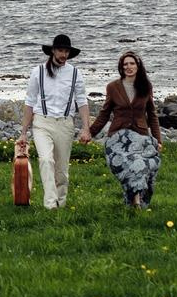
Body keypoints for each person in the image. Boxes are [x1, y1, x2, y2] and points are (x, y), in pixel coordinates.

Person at [89, 49, 164, 210]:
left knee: (141, 165)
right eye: (125, 65)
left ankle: (135, 201)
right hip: (119, 138)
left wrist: (158, 139)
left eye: (132, 63)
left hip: (141, 136)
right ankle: (135, 202)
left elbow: (152, 114)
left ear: (138, 66)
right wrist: (90, 133)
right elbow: (104, 113)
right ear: (121, 68)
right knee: (128, 166)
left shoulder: (146, 86)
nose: (128, 67)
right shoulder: (113, 87)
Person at [22, 33, 86, 210]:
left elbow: (82, 101)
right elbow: (29, 102)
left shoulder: (75, 73)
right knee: (45, 160)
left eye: (66, 51)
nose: (63, 55)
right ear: (52, 51)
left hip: (65, 124)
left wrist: (86, 128)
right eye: (60, 50)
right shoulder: (38, 72)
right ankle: (50, 204)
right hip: (42, 122)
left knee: (62, 170)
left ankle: (61, 202)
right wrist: (23, 133)